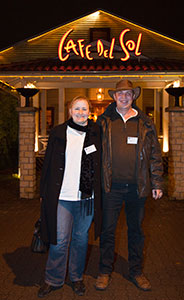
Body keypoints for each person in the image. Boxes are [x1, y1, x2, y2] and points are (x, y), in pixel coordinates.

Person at [95, 79, 163, 292]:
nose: (124, 97)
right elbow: (92, 151)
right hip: (111, 187)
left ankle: (136, 271)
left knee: (136, 232)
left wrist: (157, 182)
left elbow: (154, 155)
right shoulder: (103, 121)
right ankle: (104, 271)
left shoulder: (145, 122)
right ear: (114, 97)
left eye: (128, 93)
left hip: (137, 188)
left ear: (134, 96)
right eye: (120, 93)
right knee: (107, 231)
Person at [38, 96, 101, 298]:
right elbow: (47, 165)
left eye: (85, 109)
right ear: (70, 110)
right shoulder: (58, 132)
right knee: (59, 241)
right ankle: (53, 279)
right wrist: (43, 194)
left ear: (89, 111)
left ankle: (76, 278)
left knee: (81, 241)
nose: (81, 112)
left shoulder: (96, 132)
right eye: (77, 108)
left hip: (86, 198)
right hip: (62, 197)